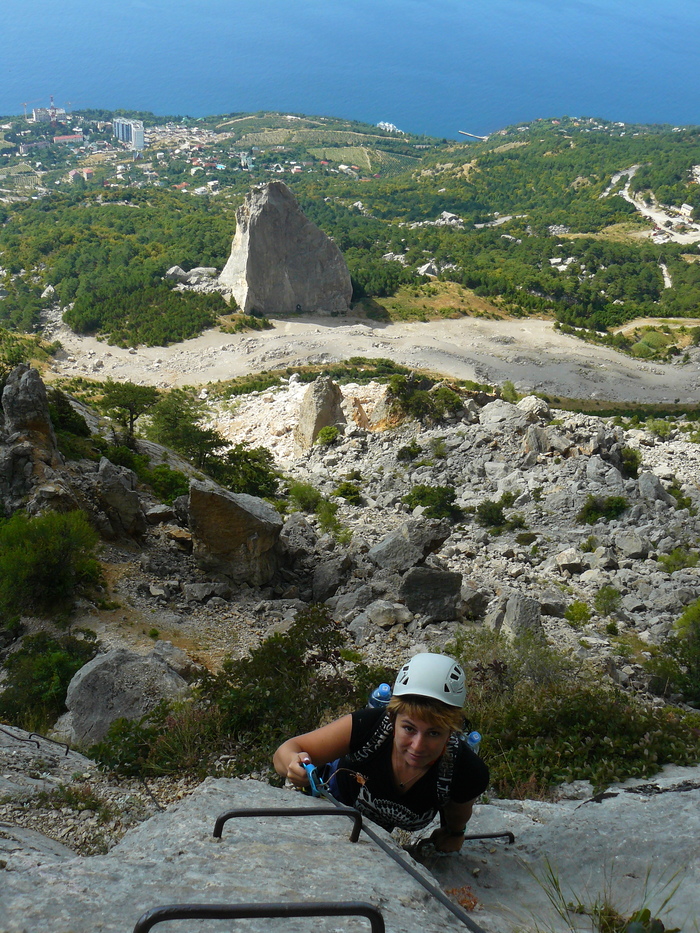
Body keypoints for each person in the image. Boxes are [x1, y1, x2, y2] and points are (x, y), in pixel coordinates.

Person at [273, 652, 489, 852]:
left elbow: (456, 822)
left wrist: (453, 834)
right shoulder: (370, 727)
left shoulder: (465, 771)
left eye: (434, 733)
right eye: (409, 728)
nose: (417, 745)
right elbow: (287, 751)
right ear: (393, 718)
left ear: (451, 732)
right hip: (332, 804)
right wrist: (293, 763)